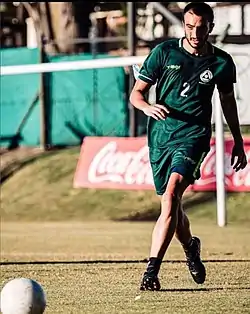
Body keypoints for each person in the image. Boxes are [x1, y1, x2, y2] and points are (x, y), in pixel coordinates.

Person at [129, 2, 247, 291]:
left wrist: (237, 142)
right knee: (173, 204)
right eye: (190, 26)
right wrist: (147, 108)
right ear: (184, 25)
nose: (195, 32)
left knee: (170, 197)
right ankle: (190, 246)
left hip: (194, 137)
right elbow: (136, 94)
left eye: (201, 26)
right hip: (160, 139)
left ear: (211, 26)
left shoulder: (221, 62)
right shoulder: (164, 52)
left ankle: (151, 270)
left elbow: (228, 103)